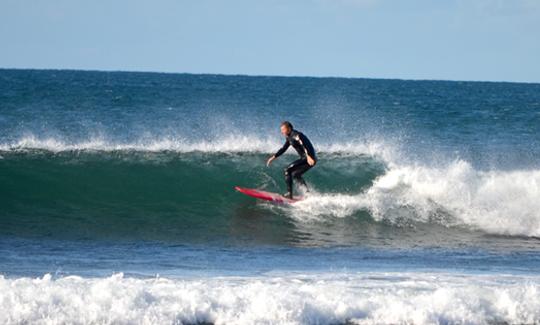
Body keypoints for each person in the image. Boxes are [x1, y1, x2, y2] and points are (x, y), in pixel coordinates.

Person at [266, 121, 317, 199]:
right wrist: (273, 157)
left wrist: (309, 156)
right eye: (281, 130)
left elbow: (304, 145)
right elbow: (284, 148)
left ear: (289, 128)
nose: (281, 132)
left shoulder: (296, 135)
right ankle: (307, 193)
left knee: (287, 170)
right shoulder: (289, 137)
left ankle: (289, 194)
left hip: (308, 158)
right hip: (305, 158)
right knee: (295, 175)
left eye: (283, 129)